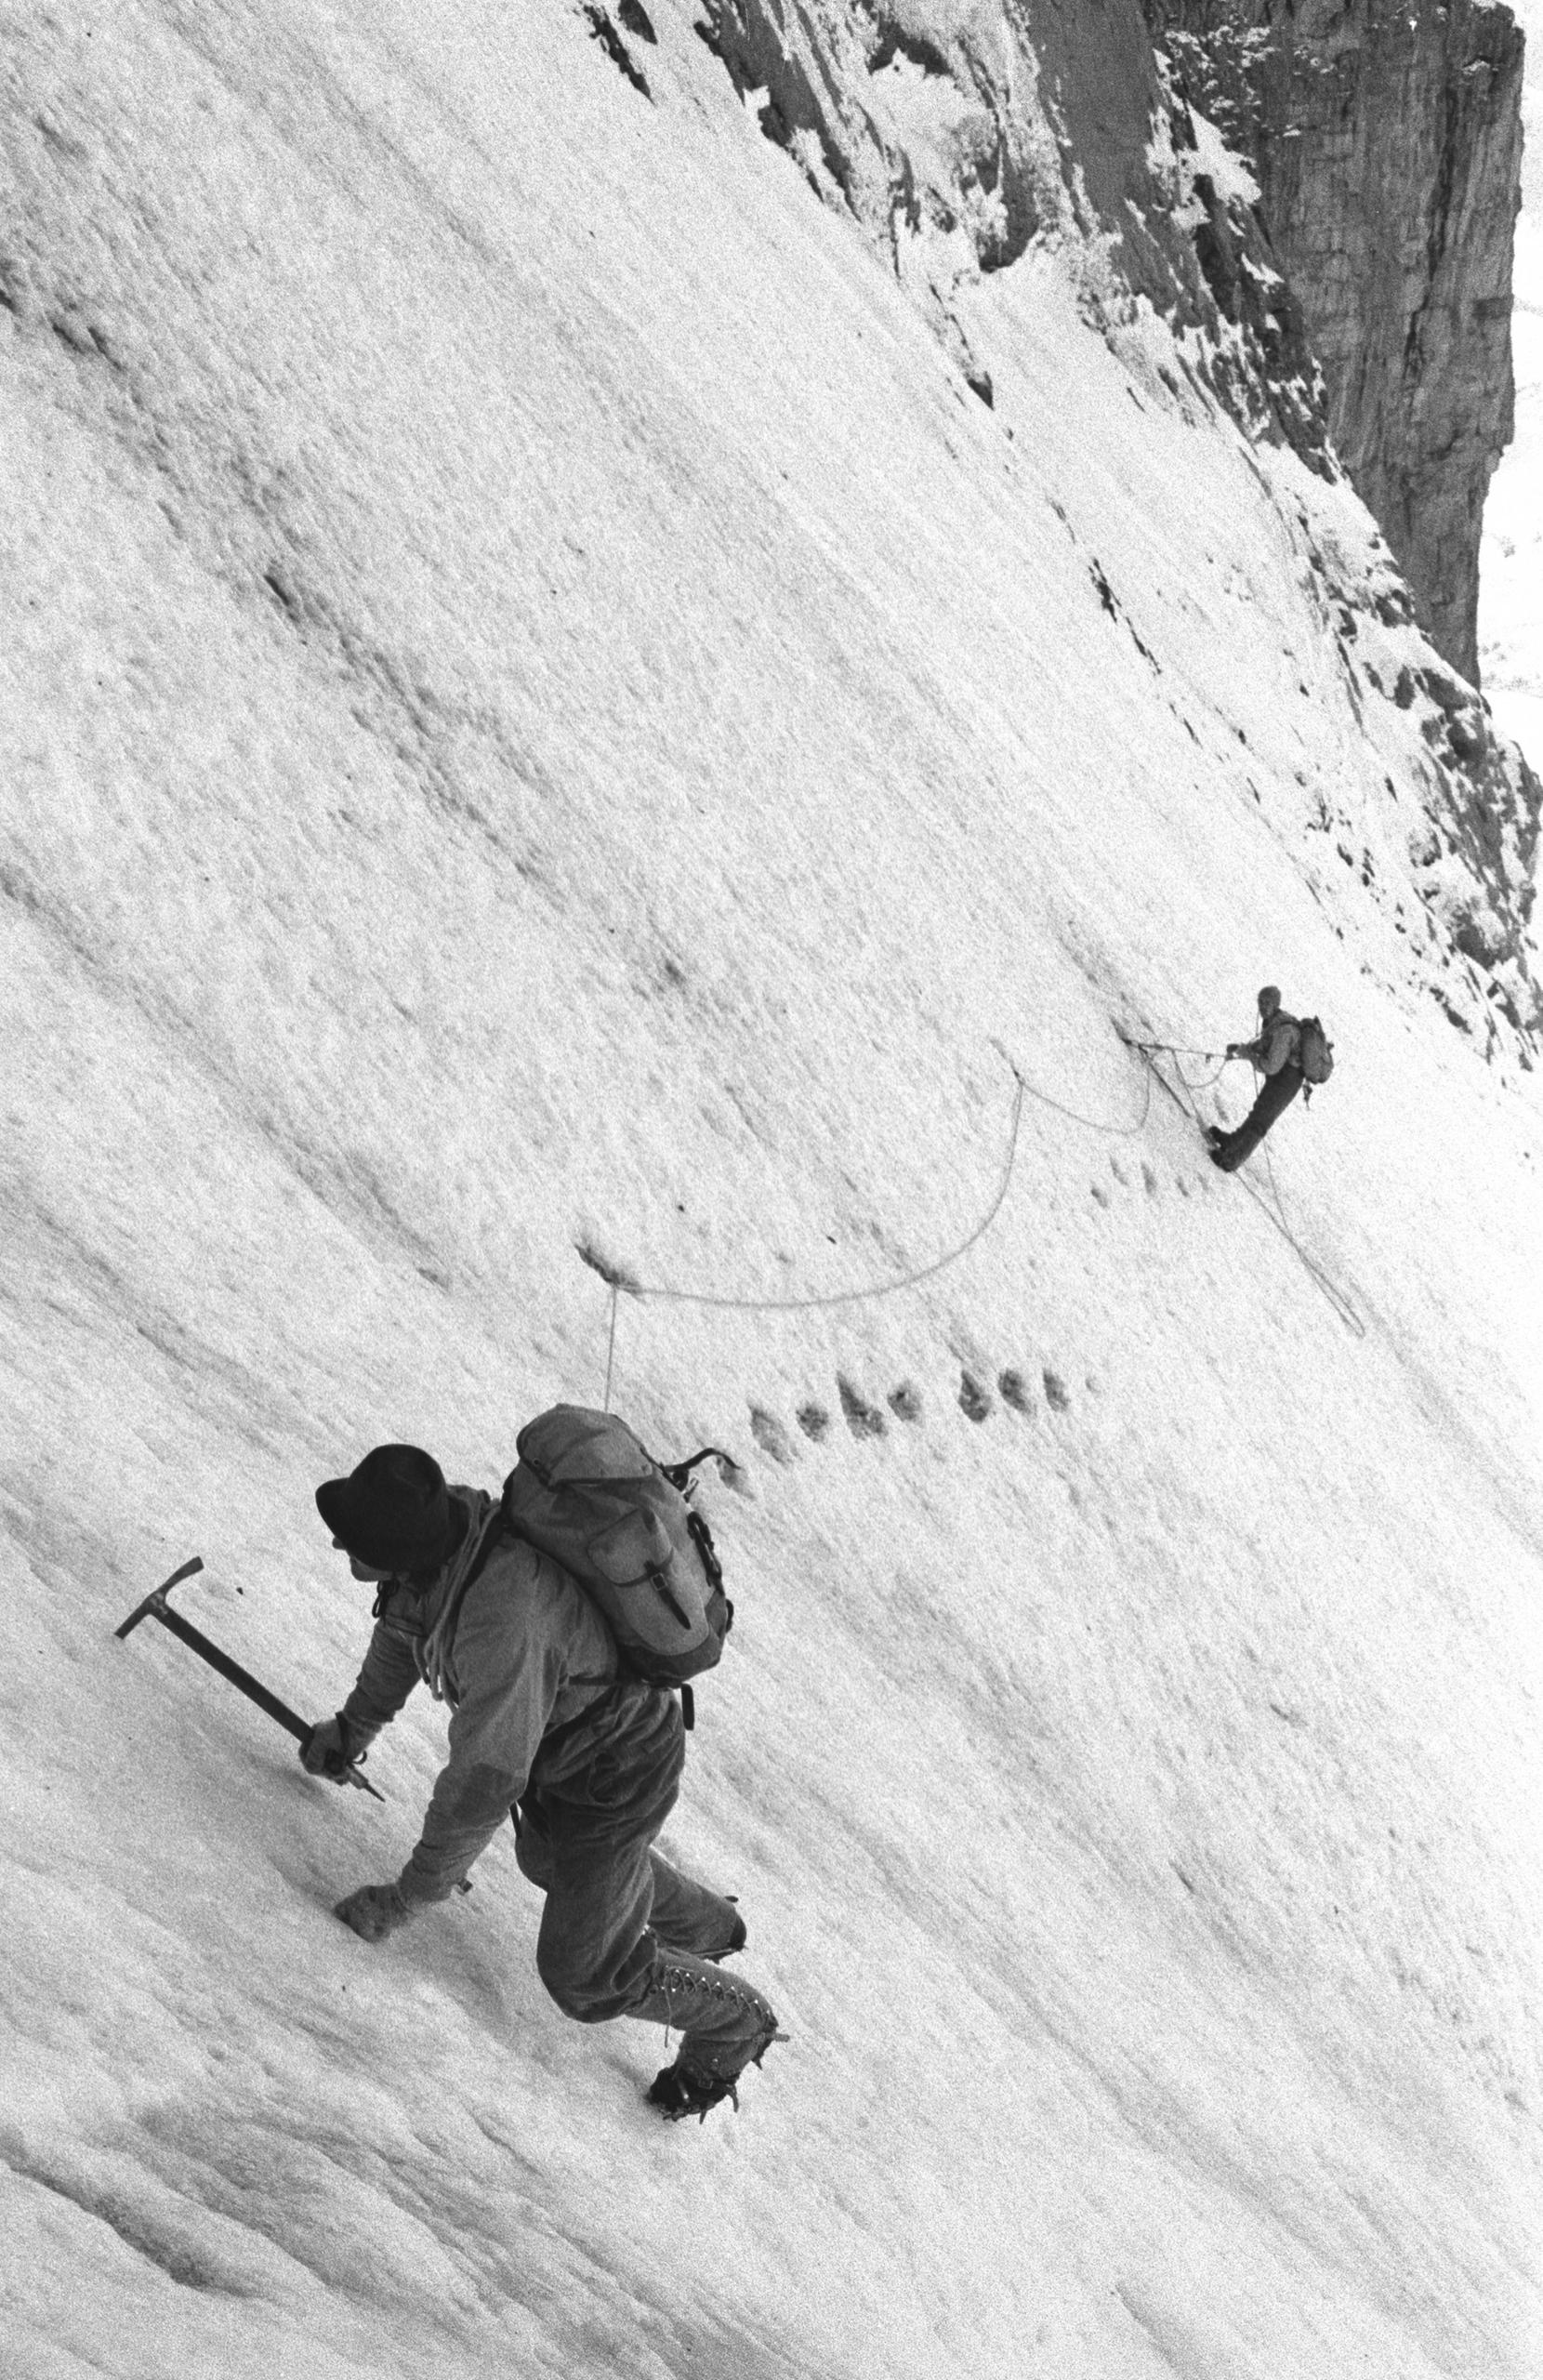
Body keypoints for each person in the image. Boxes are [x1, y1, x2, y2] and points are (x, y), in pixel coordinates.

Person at [303, 1442, 782, 2121]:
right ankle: (711, 1925)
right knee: (550, 1856)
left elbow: (484, 1783)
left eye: (348, 1537)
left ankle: (735, 2025)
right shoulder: (449, 1540)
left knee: (584, 1974)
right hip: (567, 1752)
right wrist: (352, 1729)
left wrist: (404, 1899)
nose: (334, 1544)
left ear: (398, 1547)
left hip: (617, 1770)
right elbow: (402, 1635)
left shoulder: (503, 1621)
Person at [1206, 985, 1306, 1172]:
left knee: (1260, 1121)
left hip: (1286, 1081)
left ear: (1276, 1004)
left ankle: (1231, 1161)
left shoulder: (1284, 1031)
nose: (1262, 1006)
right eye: (1260, 1001)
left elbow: (1270, 1065)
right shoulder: (1274, 1022)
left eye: (1267, 1002)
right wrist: (1241, 1049)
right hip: (1281, 1078)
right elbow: (1265, 1046)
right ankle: (1232, 1142)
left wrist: (1247, 1054)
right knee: (1258, 1112)